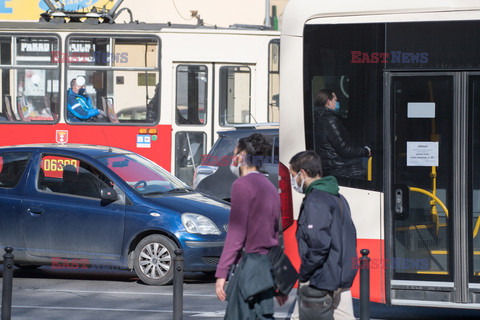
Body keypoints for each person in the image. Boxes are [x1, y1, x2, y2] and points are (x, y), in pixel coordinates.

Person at [215, 133, 287, 319]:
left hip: (248, 268)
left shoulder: (242, 185)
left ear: (242, 156)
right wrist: (281, 280)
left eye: (234, 154)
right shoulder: (270, 187)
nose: (233, 159)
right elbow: (276, 235)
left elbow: (236, 234)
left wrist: (222, 272)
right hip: (267, 270)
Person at [289, 150, 358, 320]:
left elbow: (318, 244)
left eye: (293, 175)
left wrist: (305, 273)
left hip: (320, 277)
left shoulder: (316, 200)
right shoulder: (339, 197)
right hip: (341, 277)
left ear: (302, 173)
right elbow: (350, 235)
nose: (293, 181)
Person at [314, 89, 371, 179]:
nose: (337, 103)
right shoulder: (330, 121)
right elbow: (345, 150)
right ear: (328, 102)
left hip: (332, 165)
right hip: (341, 168)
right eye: (335, 100)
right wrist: (365, 152)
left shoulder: (320, 118)